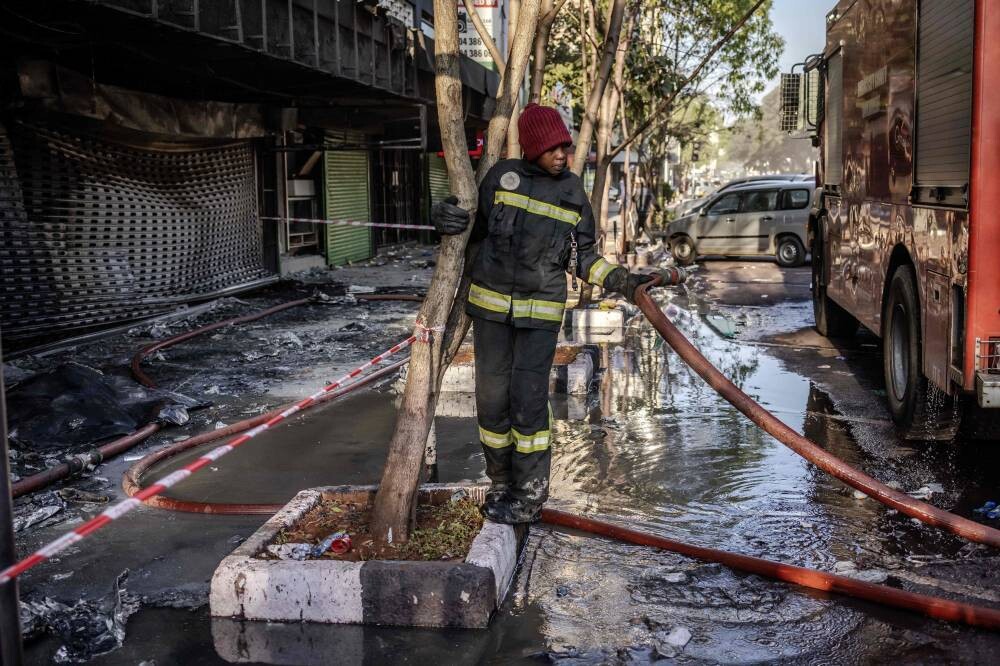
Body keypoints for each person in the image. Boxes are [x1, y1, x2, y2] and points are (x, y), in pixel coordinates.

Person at [432, 103, 682, 524]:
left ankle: (530, 493)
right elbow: (472, 231)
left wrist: (623, 281)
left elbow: (583, 258)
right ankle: (500, 482)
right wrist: (444, 216)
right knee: (492, 405)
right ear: (531, 148)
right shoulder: (500, 178)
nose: (562, 156)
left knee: (528, 403)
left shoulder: (572, 193)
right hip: (492, 313)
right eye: (553, 149)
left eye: (564, 147)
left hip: (540, 320)